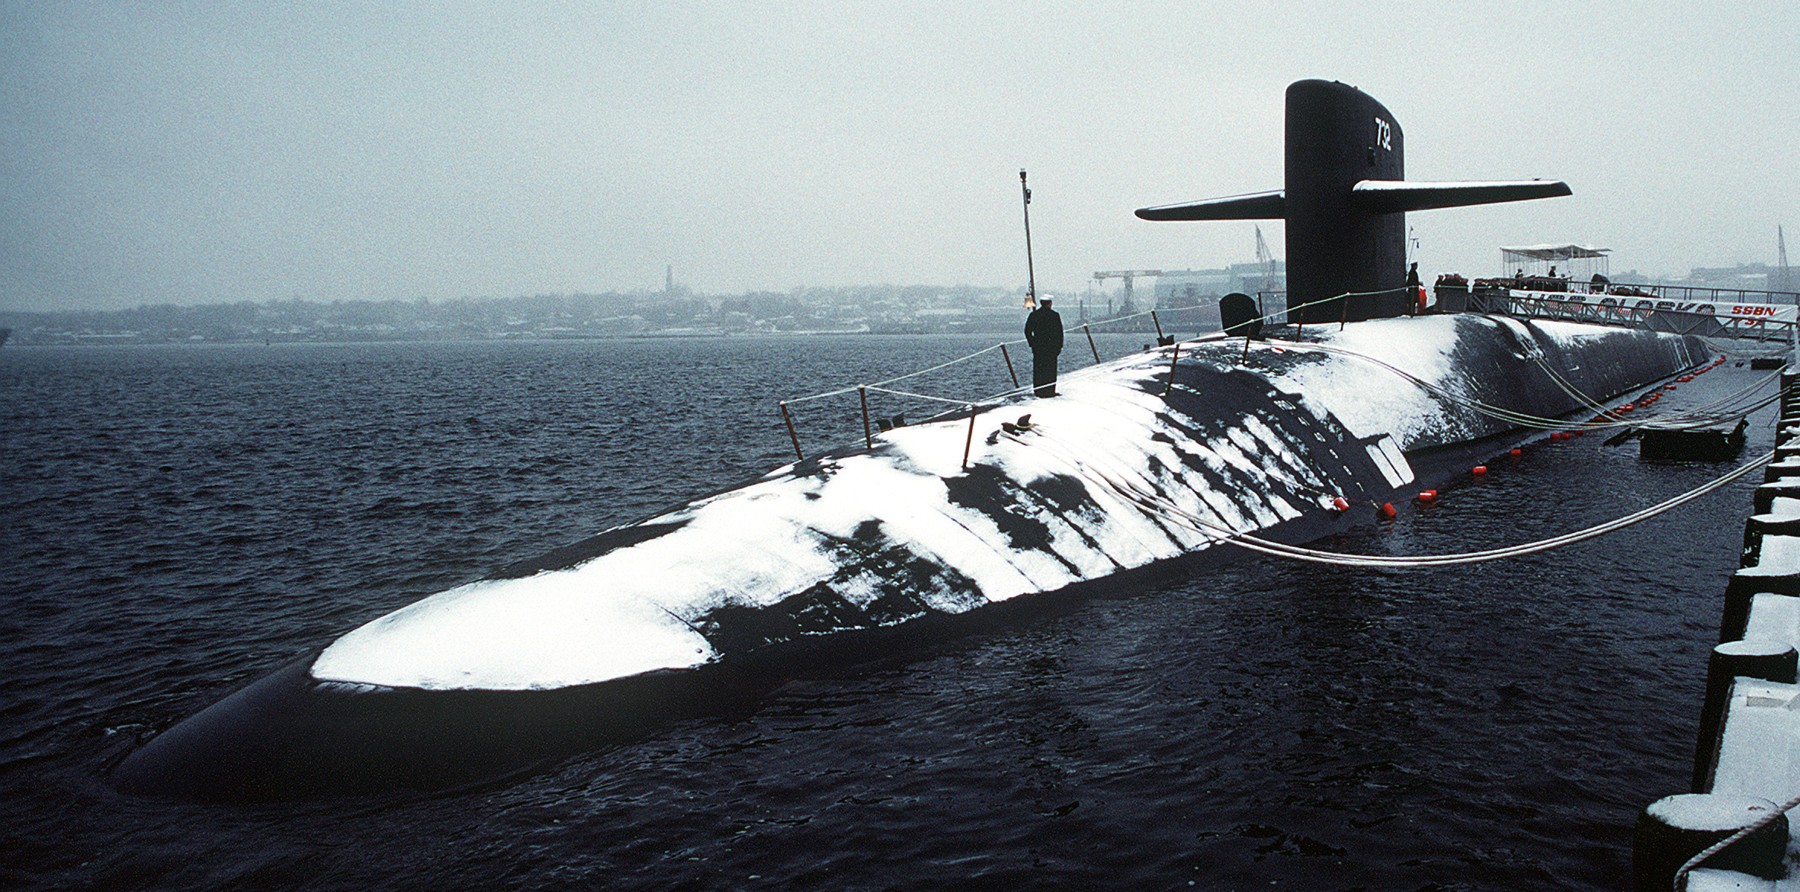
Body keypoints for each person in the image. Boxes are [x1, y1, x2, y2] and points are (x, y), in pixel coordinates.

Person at [1024, 298, 1063, 398]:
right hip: (1051, 348)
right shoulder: (1054, 315)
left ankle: (1038, 391)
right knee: (1050, 370)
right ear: (1050, 303)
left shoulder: (1034, 315)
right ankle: (1050, 391)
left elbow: (1027, 331)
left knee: (1038, 369)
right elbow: (1059, 333)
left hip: (1038, 348)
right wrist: (1059, 346)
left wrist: (1032, 343)